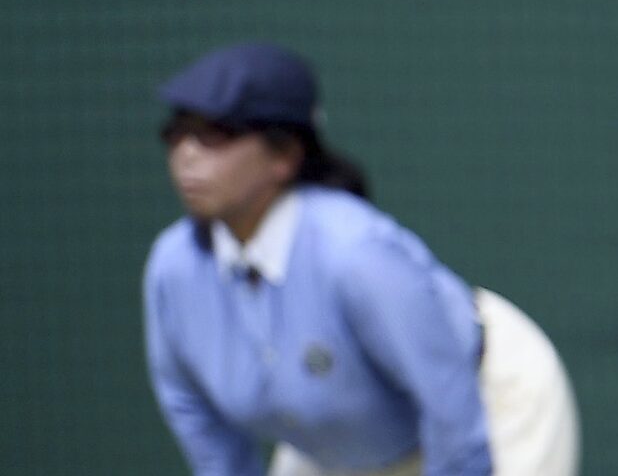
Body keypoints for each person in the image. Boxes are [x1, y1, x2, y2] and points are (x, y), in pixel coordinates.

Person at [143, 43, 580, 476]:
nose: (187, 154)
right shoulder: (172, 268)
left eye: (215, 134)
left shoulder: (354, 254)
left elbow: (450, 404)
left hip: (489, 404)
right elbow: (192, 410)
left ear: (284, 155)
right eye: (177, 133)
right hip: (344, 447)